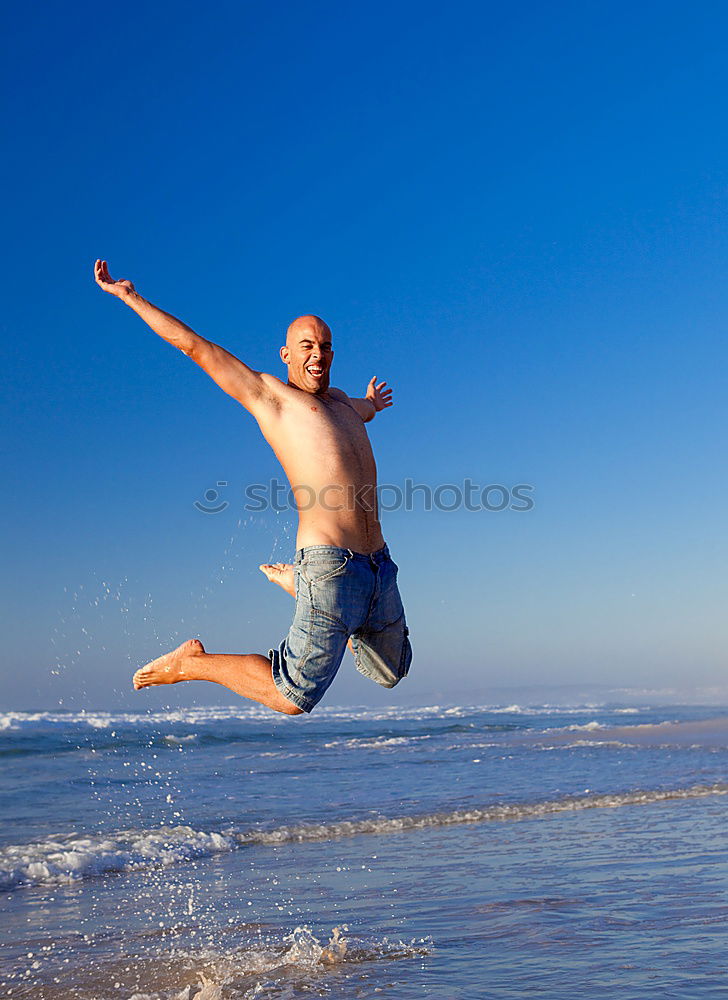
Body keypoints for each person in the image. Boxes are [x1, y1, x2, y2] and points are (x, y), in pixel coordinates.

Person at [94, 259, 412, 715]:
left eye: (324, 346)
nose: (317, 354)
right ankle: (192, 663)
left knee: (391, 670)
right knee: (292, 697)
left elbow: (363, 410)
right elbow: (196, 348)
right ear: (285, 354)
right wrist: (130, 297)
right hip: (331, 563)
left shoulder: (342, 402)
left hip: (378, 563)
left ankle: (301, 589)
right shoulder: (273, 400)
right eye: (306, 346)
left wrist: (374, 405)